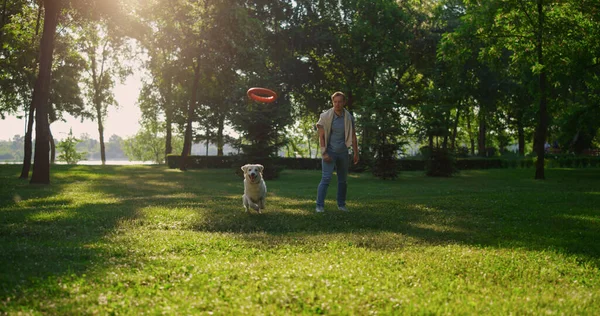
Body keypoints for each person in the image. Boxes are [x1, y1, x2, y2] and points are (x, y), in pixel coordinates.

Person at [315, 91, 359, 213]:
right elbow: (322, 136)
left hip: (343, 152)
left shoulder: (349, 117)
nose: (337, 104)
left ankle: (341, 205)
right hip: (330, 151)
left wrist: (356, 153)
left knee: (343, 180)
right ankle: (319, 206)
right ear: (332, 102)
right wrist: (324, 152)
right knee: (326, 178)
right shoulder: (325, 116)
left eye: (340, 102)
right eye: (335, 102)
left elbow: (353, 136)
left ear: (344, 102)